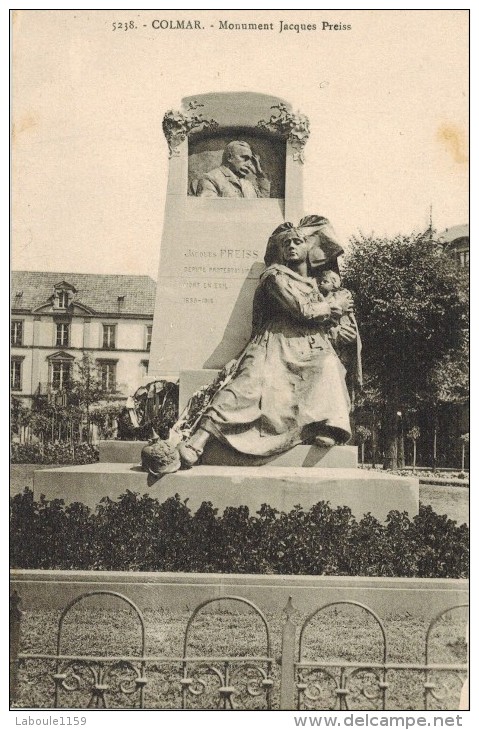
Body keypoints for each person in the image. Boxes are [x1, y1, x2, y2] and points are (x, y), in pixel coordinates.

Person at [177, 219, 358, 468]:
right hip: (274, 342)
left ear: (309, 248)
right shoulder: (274, 277)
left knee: (328, 365)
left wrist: (340, 333)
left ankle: (324, 426)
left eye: (297, 242)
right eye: (286, 244)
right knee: (248, 383)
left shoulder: (317, 285)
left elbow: (322, 324)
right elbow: (302, 310)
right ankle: (198, 440)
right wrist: (333, 306)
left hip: (308, 345)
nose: (291, 247)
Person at [193, 141, 271, 198]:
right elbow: (208, 210)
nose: (249, 163)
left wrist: (259, 174)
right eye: (244, 158)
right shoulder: (210, 178)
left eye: (250, 160)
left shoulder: (248, 183)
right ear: (230, 157)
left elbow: (262, 204)